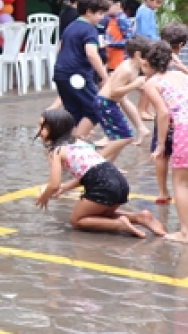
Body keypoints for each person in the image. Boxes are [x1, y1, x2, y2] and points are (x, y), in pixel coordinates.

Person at [34, 108, 164, 238]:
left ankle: (119, 224)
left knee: (77, 221)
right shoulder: (79, 143)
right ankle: (140, 217)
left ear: (55, 129)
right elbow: (90, 172)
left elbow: (54, 185)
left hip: (103, 186)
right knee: (99, 215)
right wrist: (65, 187)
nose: (38, 130)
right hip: (120, 182)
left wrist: (44, 197)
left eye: (42, 127)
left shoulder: (56, 151)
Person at [141, 40, 188, 235]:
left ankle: (185, 232)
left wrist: (161, 145)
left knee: (181, 183)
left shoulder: (152, 83)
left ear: (148, 62)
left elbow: (163, 113)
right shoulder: (181, 75)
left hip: (183, 128)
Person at [52, 0, 110, 139]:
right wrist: (105, 76)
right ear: (89, 12)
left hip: (61, 73)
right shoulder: (90, 30)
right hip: (77, 75)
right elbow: (91, 53)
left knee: (74, 110)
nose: (102, 17)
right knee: (97, 107)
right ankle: (76, 140)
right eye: (100, 13)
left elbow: (59, 48)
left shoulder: (71, 26)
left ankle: (72, 142)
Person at [95, 37, 152, 159]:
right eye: (147, 56)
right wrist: (134, 85)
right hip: (106, 103)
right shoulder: (127, 70)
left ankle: (109, 165)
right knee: (125, 136)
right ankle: (97, 161)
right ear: (138, 55)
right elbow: (113, 92)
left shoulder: (134, 67)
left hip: (109, 103)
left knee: (119, 137)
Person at [102, 0, 134, 71]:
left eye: (107, 5)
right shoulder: (110, 19)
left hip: (121, 63)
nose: (104, 8)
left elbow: (130, 41)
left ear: (117, 5)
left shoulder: (122, 19)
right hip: (112, 62)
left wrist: (110, 43)